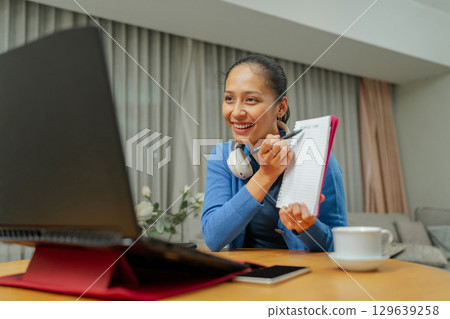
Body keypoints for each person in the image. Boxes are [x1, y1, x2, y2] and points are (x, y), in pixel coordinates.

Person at [201, 55, 347, 252]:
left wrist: (308, 227)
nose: (236, 112)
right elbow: (213, 237)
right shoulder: (222, 156)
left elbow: (340, 246)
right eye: (229, 98)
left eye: (250, 99)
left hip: (306, 277)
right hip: (247, 275)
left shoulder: (318, 158)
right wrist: (265, 175)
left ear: (281, 107)